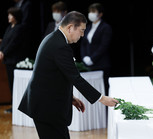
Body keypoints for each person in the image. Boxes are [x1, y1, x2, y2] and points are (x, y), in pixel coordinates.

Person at [18, 11, 118, 139]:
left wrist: (70, 97)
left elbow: (53, 75)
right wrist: (102, 99)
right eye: (81, 30)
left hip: (45, 105)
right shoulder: (59, 45)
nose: (82, 35)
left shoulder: (54, 39)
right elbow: (75, 77)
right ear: (70, 27)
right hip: (46, 108)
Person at [80, 3, 112, 96]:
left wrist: (92, 58)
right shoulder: (88, 27)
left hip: (101, 64)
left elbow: (104, 46)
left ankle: (105, 109)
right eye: (90, 11)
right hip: (88, 64)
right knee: (90, 90)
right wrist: (84, 57)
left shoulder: (105, 27)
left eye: (93, 11)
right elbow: (83, 44)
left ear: (100, 14)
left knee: (103, 89)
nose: (91, 14)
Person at [0, 7, 27, 113]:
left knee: (15, 84)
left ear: (15, 16)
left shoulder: (19, 28)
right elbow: (5, 41)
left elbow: (13, 43)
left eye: (10, 15)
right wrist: (1, 51)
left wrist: (4, 52)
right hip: (7, 60)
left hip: (14, 60)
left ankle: (16, 106)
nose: (8, 17)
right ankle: (13, 105)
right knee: (11, 84)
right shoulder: (9, 27)